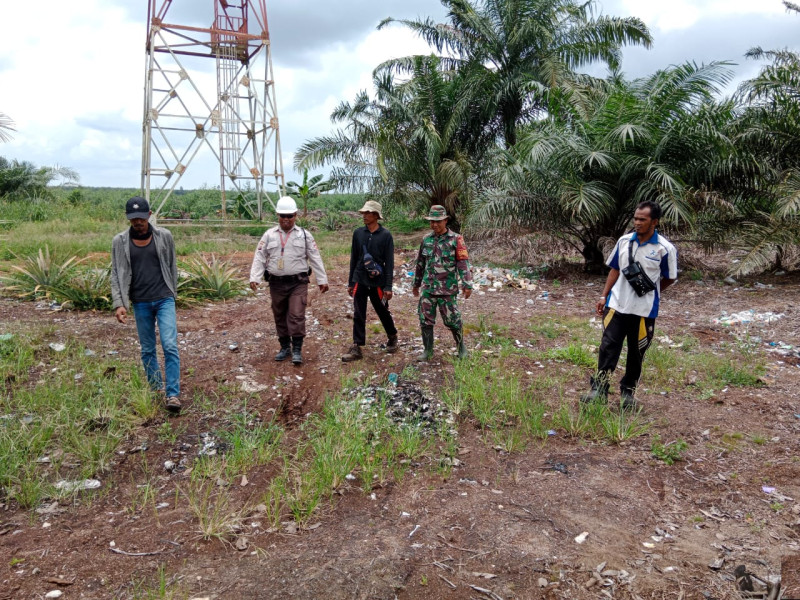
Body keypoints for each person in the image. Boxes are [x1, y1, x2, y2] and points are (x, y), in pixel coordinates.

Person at [581, 200, 678, 410]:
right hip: (616, 306)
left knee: (637, 353)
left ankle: (628, 393)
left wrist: (651, 291)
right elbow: (614, 269)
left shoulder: (664, 249)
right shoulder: (624, 242)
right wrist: (603, 296)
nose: (637, 223)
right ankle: (599, 389)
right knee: (608, 348)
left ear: (654, 222)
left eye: (642, 219)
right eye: (635, 218)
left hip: (644, 312)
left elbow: (669, 278)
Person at [111, 197, 182, 413]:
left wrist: (172, 291)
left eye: (141, 218)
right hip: (140, 302)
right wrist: (119, 303)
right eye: (133, 219)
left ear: (149, 215)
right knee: (148, 348)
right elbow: (116, 273)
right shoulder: (120, 241)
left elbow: (172, 265)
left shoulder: (164, 236)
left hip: (164, 298)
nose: (138, 223)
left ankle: (172, 394)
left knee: (169, 344)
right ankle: (155, 389)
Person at [249, 196, 329, 365]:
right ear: (277, 215)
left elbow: (315, 257)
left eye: (290, 216)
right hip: (276, 283)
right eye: (282, 216)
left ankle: (297, 349)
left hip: (297, 283)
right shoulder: (269, 235)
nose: (286, 219)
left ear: (295, 215)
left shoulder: (305, 235)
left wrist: (322, 279)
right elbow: (260, 256)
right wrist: (254, 277)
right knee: (279, 315)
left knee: (296, 314)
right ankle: (285, 347)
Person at [412, 204, 473, 360]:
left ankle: (461, 348)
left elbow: (463, 263)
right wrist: (416, 284)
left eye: (438, 221)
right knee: (425, 320)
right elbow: (420, 263)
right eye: (432, 221)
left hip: (447, 289)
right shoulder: (426, 239)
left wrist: (467, 284)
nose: (435, 224)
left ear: (446, 220)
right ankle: (427, 351)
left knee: (453, 320)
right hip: (428, 288)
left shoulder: (456, 239)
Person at [341, 200, 398, 362]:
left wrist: (388, 286)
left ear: (376, 216)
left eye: (368, 213)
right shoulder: (358, 233)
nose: (364, 216)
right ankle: (357, 346)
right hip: (360, 278)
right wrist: (351, 282)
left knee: (382, 310)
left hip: (378, 282)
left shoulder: (386, 236)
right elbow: (354, 258)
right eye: (364, 213)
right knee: (359, 313)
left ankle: (392, 336)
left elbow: (389, 263)